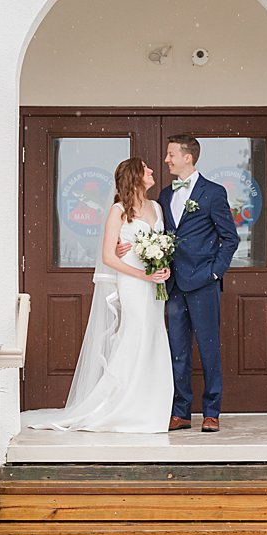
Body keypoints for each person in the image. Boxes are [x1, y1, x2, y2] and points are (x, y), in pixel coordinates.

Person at [22, 157, 173, 433]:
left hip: (154, 285)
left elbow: (161, 246)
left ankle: (149, 407)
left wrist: (162, 269)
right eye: (146, 169)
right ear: (136, 177)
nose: (152, 171)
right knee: (135, 335)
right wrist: (143, 275)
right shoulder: (118, 211)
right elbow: (107, 256)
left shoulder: (156, 207)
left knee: (154, 337)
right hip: (133, 283)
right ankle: (120, 406)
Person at [151, 135, 239, 433]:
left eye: (171, 153)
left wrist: (214, 273)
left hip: (203, 283)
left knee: (209, 348)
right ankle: (181, 411)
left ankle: (212, 411)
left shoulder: (213, 193)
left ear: (187, 157)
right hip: (173, 285)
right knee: (178, 349)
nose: (167, 159)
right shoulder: (164, 195)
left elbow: (230, 238)